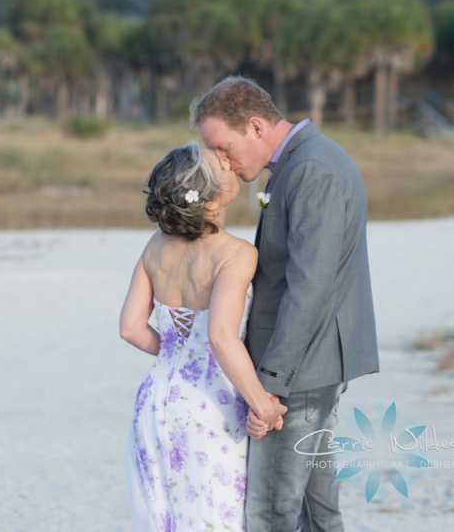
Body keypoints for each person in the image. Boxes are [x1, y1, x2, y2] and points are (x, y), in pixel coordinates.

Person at [193, 76, 379, 532]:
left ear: (255, 127)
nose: (222, 161)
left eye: (224, 147)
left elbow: (308, 286)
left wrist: (269, 386)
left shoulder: (312, 168)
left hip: (299, 373)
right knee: (316, 513)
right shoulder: (301, 162)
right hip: (308, 366)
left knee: (271, 510)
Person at [121, 142, 287, 531]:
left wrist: (177, 355)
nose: (231, 168)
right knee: (216, 514)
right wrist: (263, 406)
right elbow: (221, 336)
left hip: (155, 398)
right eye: (222, 168)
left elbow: (130, 328)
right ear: (210, 200)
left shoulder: (155, 246)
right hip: (209, 405)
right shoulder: (236, 253)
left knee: (165, 516)